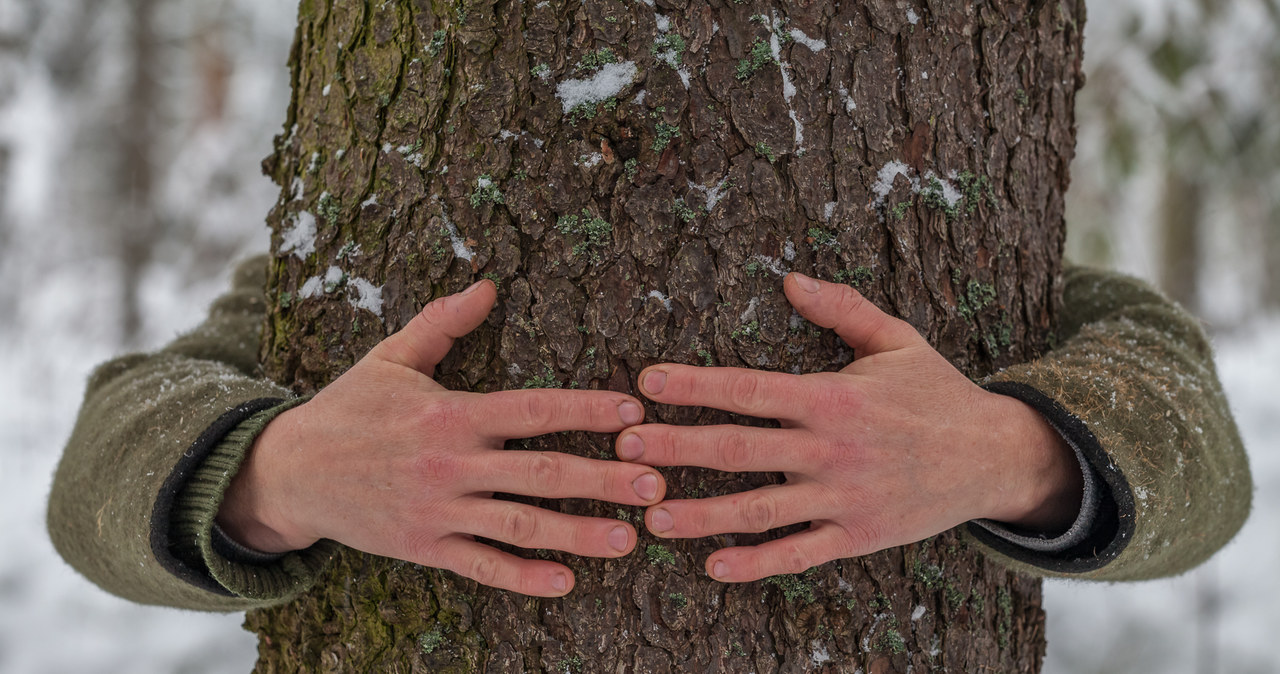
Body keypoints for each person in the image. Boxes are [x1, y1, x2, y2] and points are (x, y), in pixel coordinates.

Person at [47, 256, 1251, 610]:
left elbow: (1197, 445)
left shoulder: (987, 262)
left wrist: (1012, 452)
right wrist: (277, 470)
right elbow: (95, 471)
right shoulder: (338, 269)